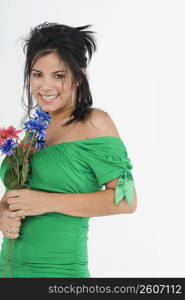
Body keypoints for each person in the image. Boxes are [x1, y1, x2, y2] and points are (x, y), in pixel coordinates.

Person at [0, 22, 137, 278]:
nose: (45, 86)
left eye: (59, 75)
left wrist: (46, 202)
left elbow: (126, 200)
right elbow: (16, 196)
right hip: (8, 272)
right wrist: (3, 213)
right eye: (37, 74)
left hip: (59, 275)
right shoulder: (35, 128)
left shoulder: (95, 122)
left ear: (79, 75)